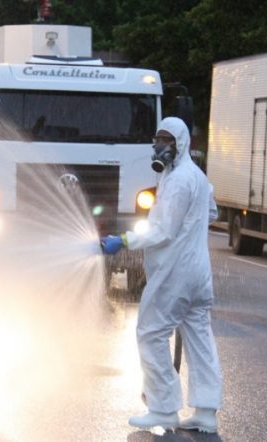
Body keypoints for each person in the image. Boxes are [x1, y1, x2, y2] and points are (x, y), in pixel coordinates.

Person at [101, 117, 223, 433]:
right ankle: (206, 412)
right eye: (158, 139)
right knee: (199, 337)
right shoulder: (194, 176)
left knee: (151, 332)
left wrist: (125, 240)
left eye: (167, 140)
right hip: (198, 271)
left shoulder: (180, 179)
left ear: (181, 144)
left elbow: (163, 231)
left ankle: (163, 408)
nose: (160, 146)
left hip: (176, 272)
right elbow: (211, 212)